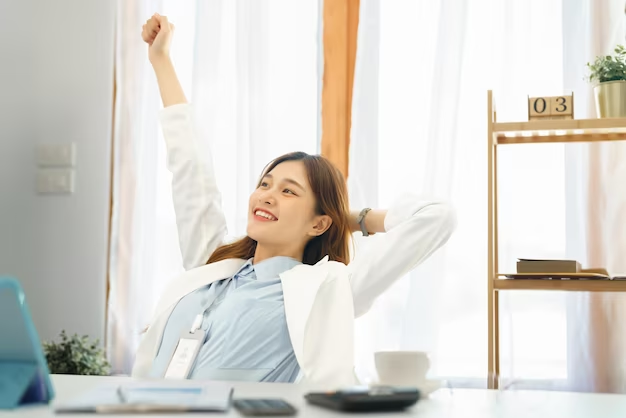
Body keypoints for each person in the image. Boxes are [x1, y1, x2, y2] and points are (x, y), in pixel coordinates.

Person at [132, 13, 456, 387]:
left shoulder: (328, 288)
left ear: (319, 223)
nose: (268, 196)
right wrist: (161, 60)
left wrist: (350, 218)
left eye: (288, 191)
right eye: (266, 184)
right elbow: (190, 168)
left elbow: (438, 218)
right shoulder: (215, 262)